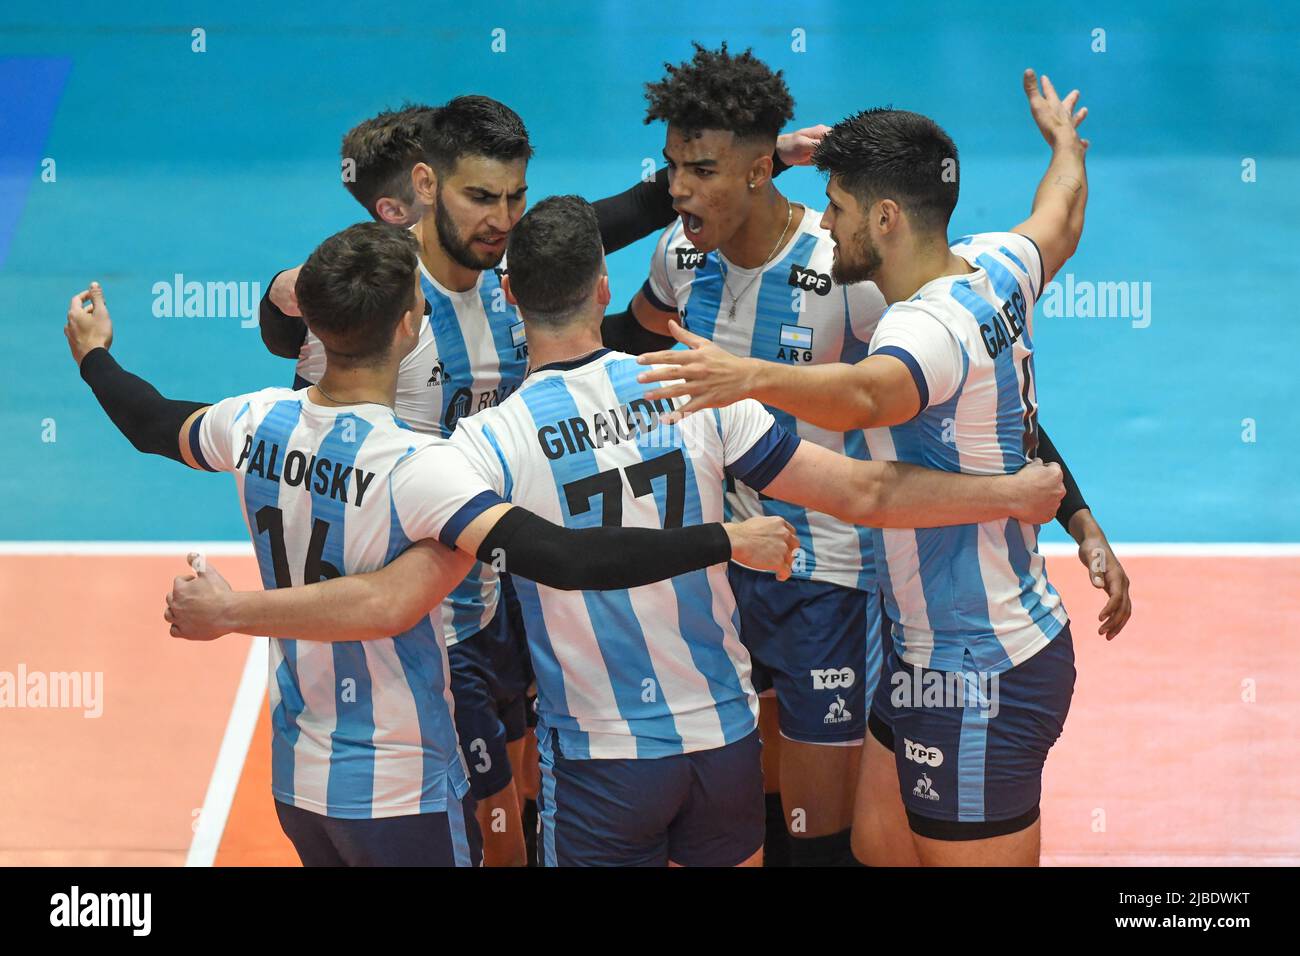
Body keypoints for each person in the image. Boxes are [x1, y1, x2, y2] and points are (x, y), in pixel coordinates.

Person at [165, 198, 1065, 866]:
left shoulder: (483, 445)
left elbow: (400, 596)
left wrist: (237, 609)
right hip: (721, 742)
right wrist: (1010, 495)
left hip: (600, 761)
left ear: (509, 296)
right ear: (605, 288)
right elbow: (865, 493)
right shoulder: (694, 388)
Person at [63, 221, 797, 867]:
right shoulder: (421, 469)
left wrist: (94, 356)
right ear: (411, 329)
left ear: (314, 330)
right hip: (399, 782)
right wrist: (724, 538)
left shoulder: (251, 422)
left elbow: (151, 422)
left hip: (301, 778)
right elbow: (567, 560)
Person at [634, 71, 1129, 865]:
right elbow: (1061, 213)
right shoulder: (1000, 263)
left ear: (887, 218)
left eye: (835, 209)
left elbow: (866, 404)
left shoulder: (926, 331)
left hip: (980, 668)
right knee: (875, 850)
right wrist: (1065, 143)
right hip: (921, 651)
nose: (823, 225)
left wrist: (747, 377)